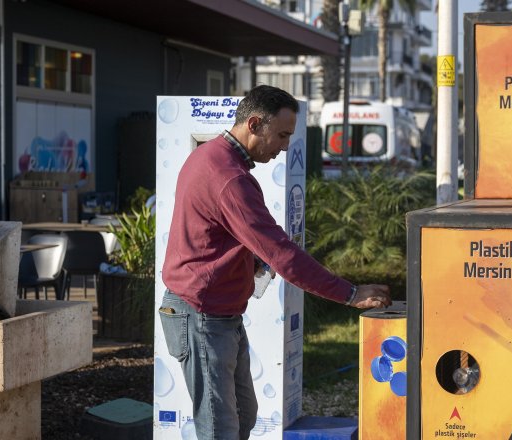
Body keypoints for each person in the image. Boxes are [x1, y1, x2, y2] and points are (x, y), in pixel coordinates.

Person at [160, 85, 392, 440]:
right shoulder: (230, 178)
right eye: (281, 135)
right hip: (202, 315)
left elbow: (218, 235)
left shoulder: (211, 157)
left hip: (214, 312)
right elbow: (282, 255)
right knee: (220, 428)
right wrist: (350, 293)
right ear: (254, 123)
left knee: (242, 415)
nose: (285, 147)